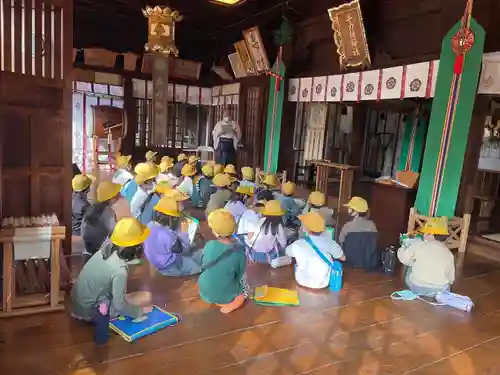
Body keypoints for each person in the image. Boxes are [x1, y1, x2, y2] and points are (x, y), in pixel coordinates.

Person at [71, 218, 153, 321]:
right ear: (137, 247)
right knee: (146, 296)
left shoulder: (105, 250)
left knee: (132, 297)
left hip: (77, 305)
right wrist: (139, 311)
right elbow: (119, 306)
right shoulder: (120, 271)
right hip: (91, 312)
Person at [198, 209, 248, 314]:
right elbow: (239, 275)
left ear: (215, 232)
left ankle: (217, 296)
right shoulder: (239, 253)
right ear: (234, 230)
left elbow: (203, 264)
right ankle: (235, 302)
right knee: (246, 287)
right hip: (225, 295)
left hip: (204, 291)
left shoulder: (209, 245)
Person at [144, 197, 203, 277]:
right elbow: (185, 251)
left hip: (157, 263)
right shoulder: (168, 235)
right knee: (199, 266)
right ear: (173, 218)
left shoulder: (149, 225)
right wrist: (184, 232)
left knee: (196, 253)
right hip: (171, 267)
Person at [286, 212, 345, 289]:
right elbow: (343, 258)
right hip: (323, 283)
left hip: (301, 281)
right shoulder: (330, 243)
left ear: (305, 228)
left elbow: (287, 252)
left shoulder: (298, 244)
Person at [398, 217, 455, 296]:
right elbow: (451, 278)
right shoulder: (448, 252)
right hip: (440, 290)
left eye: (425, 233)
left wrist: (403, 247)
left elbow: (403, 259)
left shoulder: (419, 245)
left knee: (410, 264)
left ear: (430, 234)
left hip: (418, 287)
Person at [81, 181, 121, 262]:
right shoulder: (108, 211)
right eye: (117, 194)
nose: (119, 195)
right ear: (111, 197)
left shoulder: (92, 208)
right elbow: (114, 233)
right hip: (99, 250)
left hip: (87, 248)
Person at [339, 197, 379, 270]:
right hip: (369, 267)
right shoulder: (372, 225)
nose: (348, 209)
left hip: (350, 266)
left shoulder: (347, 226)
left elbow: (340, 245)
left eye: (350, 208)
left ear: (356, 211)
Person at [245, 200, 287, 265]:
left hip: (254, 254)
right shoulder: (278, 226)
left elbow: (250, 238)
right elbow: (283, 243)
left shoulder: (259, 220)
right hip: (268, 257)